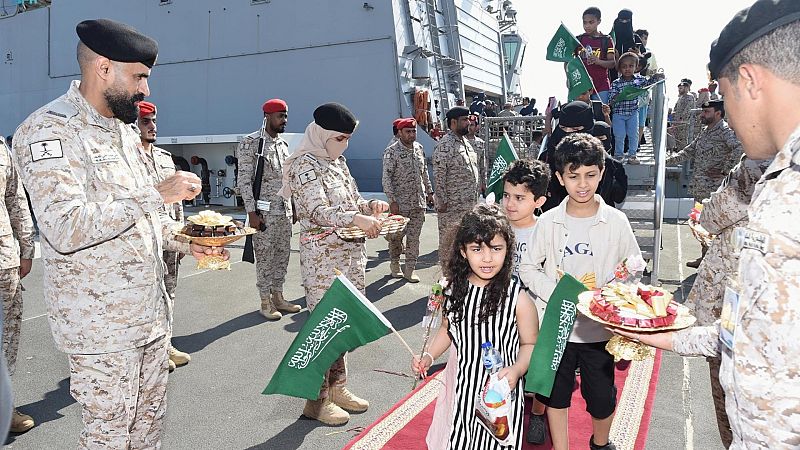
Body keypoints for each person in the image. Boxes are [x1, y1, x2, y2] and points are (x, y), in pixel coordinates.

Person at [11, 19, 227, 448]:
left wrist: (191, 239)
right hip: (101, 329)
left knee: (147, 432)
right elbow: (65, 228)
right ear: (104, 69)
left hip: (149, 318)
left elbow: (144, 222)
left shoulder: (124, 133)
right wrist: (155, 192)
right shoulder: (48, 130)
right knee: (108, 438)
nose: (146, 90)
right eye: (140, 77)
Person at [610, 2, 800, 447]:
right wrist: (659, 333)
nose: (726, 115)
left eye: (724, 94)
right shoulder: (777, 176)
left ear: (749, 80)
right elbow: (753, 334)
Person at [519, 133, 641, 450]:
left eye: (590, 175)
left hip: (598, 332)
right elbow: (528, 267)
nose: (582, 184)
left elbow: (633, 267)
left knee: (601, 398)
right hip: (555, 329)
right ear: (560, 177)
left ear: (601, 173)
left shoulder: (617, 221)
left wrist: (610, 295)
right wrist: (557, 292)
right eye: (573, 177)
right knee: (555, 395)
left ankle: (601, 443)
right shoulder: (547, 223)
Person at [279, 102, 389, 426]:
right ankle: (316, 401)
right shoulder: (303, 165)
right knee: (325, 329)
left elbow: (352, 199)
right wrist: (357, 217)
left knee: (342, 327)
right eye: (340, 138)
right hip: (324, 262)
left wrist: (371, 205)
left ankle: (338, 388)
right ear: (324, 134)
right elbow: (316, 211)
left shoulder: (337, 162)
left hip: (350, 256)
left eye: (347, 139)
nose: (345, 145)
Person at [412, 203, 538, 449]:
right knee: (460, 439)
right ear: (463, 251)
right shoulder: (452, 291)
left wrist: (517, 369)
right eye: (477, 249)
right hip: (463, 391)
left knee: (495, 443)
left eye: (496, 248)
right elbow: (448, 330)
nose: (488, 258)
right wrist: (428, 355)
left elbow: (530, 343)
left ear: (508, 250)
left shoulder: (518, 298)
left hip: (500, 394)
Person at [684, 155, 770, 447]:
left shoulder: (757, 165)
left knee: (730, 399)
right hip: (747, 304)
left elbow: (710, 217)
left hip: (734, 304)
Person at [135, 101, 192, 371]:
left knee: (169, 294)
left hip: (170, 239)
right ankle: (153, 353)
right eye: (146, 121)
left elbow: (177, 201)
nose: (152, 126)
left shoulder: (164, 157)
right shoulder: (128, 158)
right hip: (145, 243)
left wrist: (181, 235)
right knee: (148, 298)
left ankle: (166, 343)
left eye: (154, 121)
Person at [499, 159, 551, 445]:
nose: (510, 203)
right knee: (502, 361)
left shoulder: (548, 230)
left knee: (541, 365)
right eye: (507, 195)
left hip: (538, 310)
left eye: (520, 198)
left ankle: (539, 414)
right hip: (500, 311)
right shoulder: (495, 226)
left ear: (539, 200)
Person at [236, 99, 300, 320]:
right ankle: (265, 301)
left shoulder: (282, 145)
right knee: (265, 258)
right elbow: (244, 180)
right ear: (267, 116)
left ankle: (278, 297)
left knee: (282, 256)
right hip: (263, 214)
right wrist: (251, 212)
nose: (284, 120)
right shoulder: (251, 143)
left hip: (283, 212)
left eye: (285, 115)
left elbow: (287, 180)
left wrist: (293, 205)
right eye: (280, 116)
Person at [666, 99, 743, 268]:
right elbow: (689, 151)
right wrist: (666, 161)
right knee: (701, 223)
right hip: (701, 188)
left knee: (713, 225)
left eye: (706, 112)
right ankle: (704, 258)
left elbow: (739, 149)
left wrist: (725, 170)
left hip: (714, 190)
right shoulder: (705, 131)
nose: (702, 115)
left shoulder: (724, 131)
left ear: (718, 113)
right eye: (703, 112)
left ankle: (714, 263)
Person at [0, 137, 35, 433]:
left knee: (6, 339)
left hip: (3, 263)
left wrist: (26, 248)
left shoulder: (1, 148)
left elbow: (15, 199)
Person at [382, 117, 434, 282]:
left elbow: (424, 172)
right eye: (408, 131)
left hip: (418, 203)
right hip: (400, 204)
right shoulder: (391, 152)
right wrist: (392, 201)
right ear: (400, 132)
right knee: (397, 238)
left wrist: (430, 192)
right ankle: (395, 264)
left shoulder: (419, 148)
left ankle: (410, 269)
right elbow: (386, 178)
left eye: (414, 131)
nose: (412, 135)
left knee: (414, 238)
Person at [432, 106, 480, 264]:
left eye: (469, 119)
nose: (468, 123)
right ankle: (446, 282)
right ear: (453, 122)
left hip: (468, 206)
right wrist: (442, 201)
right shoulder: (445, 145)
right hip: (452, 207)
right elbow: (439, 176)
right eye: (464, 120)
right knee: (449, 246)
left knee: (465, 245)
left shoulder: (466, 143)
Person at [539, 101, 595, 212]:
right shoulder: (547, 156)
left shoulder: (601, 160)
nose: (567, 133)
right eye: (563, 128)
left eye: (575, 130)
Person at [608, 52, 663, 164]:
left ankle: (632, 155)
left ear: (636, 67)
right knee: (619, 135)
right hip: (619, 113)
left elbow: (649, 82)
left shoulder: (639, 80)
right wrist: (620, 95)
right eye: (624, 67)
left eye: (631, 66)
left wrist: (657, 76)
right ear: (619, 69)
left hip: (633, 112)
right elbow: (611, 99)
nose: (627, 69)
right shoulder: (616, 83)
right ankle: (618, 155)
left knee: (634, 134)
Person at [576, 7, 616, 104]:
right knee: (581, 115)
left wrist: (598, 61)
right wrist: (569, 78)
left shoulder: (606, 40)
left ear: (599, 21)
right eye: (584, 23)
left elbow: (612, 63)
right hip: (582, 86)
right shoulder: (578, 39)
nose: (587, 26)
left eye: (591, 22)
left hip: (601, 86)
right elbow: (568, 62)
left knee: (600, 115)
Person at [591, 121, 629, 207]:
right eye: (594, 139)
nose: (598, 143)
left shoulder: (615, 166)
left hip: (606, 214)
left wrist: (611, 173)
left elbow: (619, 198)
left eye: (601, 138)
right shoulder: (581, 163)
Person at [670, 81, 696, 152]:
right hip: (677, 122)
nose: (679, 90)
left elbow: (687, 110)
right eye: (679, 88)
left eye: (681, 88)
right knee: (677, 139)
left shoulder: (689, 97)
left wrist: (681, 119)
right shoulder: (680, 97)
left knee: (683, 140)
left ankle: (684, 159)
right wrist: (673, 114)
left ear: (687, 88)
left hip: (684, 123)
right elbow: (675, 108)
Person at [465, 114, 487, 192]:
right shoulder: (460, 141)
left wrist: (484, 183)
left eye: (472, 125)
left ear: (476, 127)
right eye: (468, 125)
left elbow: (482, 165)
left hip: (476, 184)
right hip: (462, 184)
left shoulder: (480, 143)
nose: (469, 127)